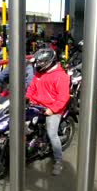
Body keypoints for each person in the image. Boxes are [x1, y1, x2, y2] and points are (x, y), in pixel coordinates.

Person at [26, 48, 70, 176]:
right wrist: (27, 98)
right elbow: (31, 89)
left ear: (48, 62)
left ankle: (58, 161)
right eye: (37, 63)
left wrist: (52, 109)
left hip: (53, 109)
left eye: (40, 63)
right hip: (37, 106)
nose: (38, 65)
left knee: (52, 134)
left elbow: (63, 98)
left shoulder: (61, 77)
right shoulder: (39, 73)